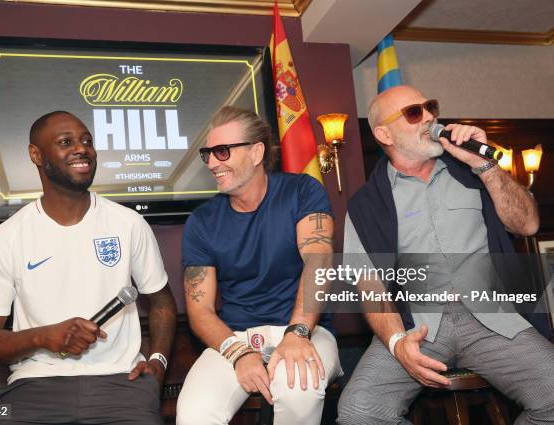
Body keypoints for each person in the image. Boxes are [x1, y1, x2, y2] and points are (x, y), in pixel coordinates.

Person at [336, 85, 554, 424]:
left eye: (429, 107)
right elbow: (370, 287)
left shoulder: (472, 173)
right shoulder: (366, 205)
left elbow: (527, 224)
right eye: (413, 113)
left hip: (491, 317)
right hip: (416, 326)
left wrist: (485, 165)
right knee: (358, 411)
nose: (429, 118)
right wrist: (397, 343)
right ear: (384, 134)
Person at [0, 111, 177, 425]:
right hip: (33, 388)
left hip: (121, 385)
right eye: (66, 142)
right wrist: (43, 337)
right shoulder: (4, 239)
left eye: (87, 141)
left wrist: (157, 364)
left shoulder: (129, 223)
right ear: (36, 154)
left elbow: (162, 302)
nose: (82, 149)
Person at [176, 106, 342, 425]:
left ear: (256, 152)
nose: (212, 163)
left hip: (307, 329)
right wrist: (239, 353)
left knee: (298, 389)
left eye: (222, 152)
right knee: (194, 412)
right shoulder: (202, 222)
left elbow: (319, 262)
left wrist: (297, 332)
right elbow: (200, 312)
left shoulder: (302, 191)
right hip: (236, 338)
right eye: (207, 154)